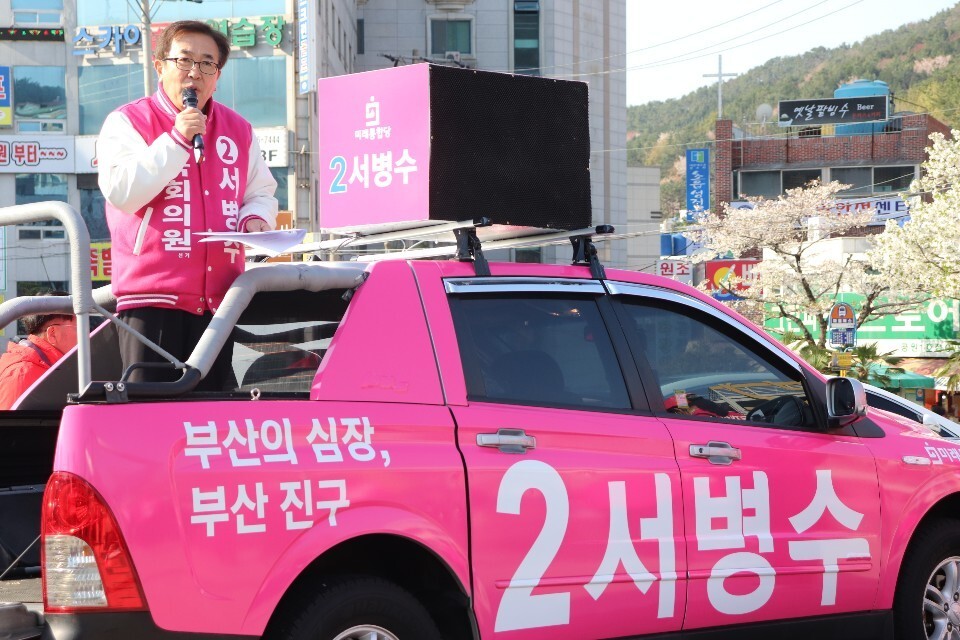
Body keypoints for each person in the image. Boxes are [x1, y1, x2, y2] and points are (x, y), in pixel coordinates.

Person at [97, 20, 278, 390]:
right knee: (151, 417)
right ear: (160, 66)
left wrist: (256, 219)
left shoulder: (239, 130)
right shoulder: (128, 121)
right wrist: (178, 138)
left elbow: (261, 192)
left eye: (207, 63)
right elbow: (122, 191)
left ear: (218, 75)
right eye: (184, 60)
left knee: (209, 422)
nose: (195, 72)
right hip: (152, 300)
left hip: (220, 304)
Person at [0, 292, 77, 410]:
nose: (87, 334)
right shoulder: (22, 374)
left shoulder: (46, 367)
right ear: (53, 334)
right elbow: (12, 427)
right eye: (79, 328)